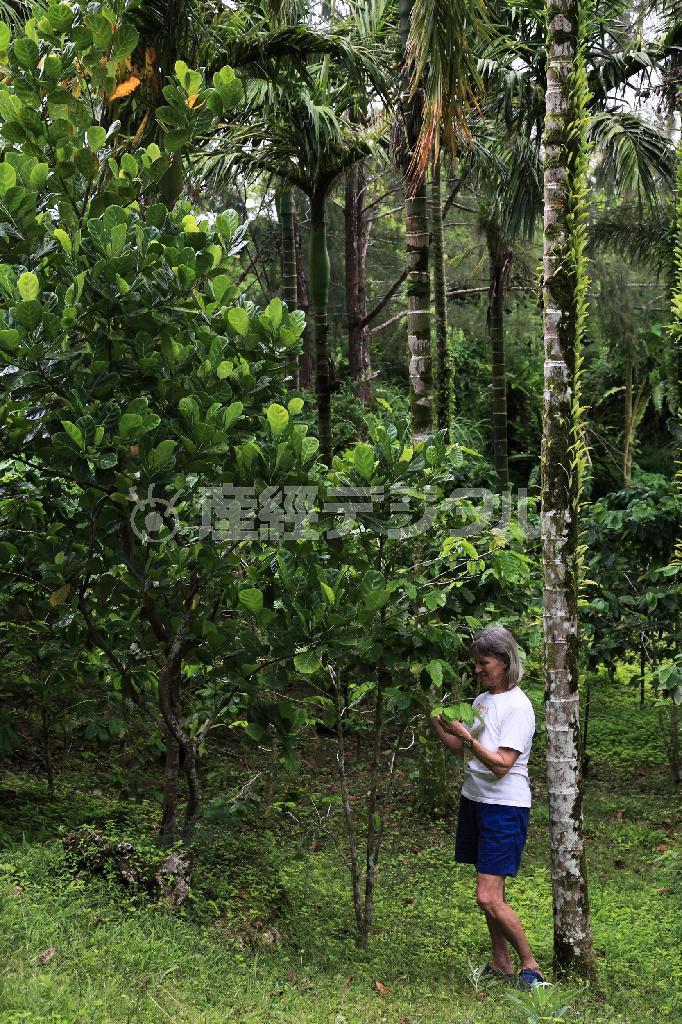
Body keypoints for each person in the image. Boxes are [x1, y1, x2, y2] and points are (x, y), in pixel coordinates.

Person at [430, 625, 544, 990]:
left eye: (484, 663)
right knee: (489, 893)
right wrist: (437, 718)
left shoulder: (519, 707)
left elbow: (500, 764)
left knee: (487, 896)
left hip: (504, 807)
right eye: (475, 664)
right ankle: (500, 962)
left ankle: (531, 965)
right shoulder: (482, 701)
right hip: (475, 801)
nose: (477, 670)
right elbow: (459, 747)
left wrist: (465, 735)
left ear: (506, 661)